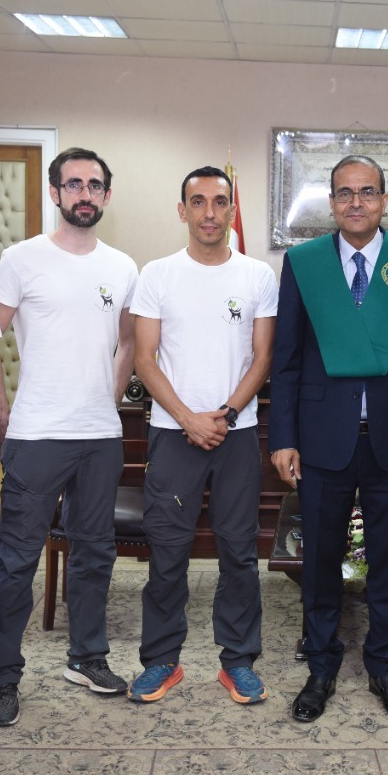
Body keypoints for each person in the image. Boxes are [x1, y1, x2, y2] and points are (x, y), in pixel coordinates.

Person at [270, 154, 388, 723]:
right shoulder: (304, 265)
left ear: (384, 200)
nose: (356, 202)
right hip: (323, 440)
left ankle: (384, 665)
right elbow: (287, 359)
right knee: (320, 561)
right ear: (331, 201)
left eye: (367, 192)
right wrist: (282, 437)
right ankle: (321, 666)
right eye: (345, 193)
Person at [0, 147, 138, 726]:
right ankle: (2, 675)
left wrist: (109, 397)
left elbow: (128, 341)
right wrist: (0, 410)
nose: (84, 194)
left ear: (106, 196)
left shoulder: (122, 266)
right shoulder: (21, 259)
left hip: (100, 437)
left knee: (94, 555)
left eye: (94, 185)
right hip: (37, 433)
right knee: (16, 562)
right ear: (55, 193)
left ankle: (87, 658)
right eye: (73, 184)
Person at [126, 166, 278, 706]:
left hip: (237, 435)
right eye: (198, 201)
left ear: (232, 209)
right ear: (182, 210)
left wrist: (226, 414)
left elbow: (263, 357)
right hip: (173, 434)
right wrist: (189, 418)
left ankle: (238, 660)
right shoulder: (157, 274)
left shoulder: (257, 275)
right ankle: (161, 660)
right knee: (168, 553)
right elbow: (144, 359)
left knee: (239, 552)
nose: (209, 212)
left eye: (219, 202)